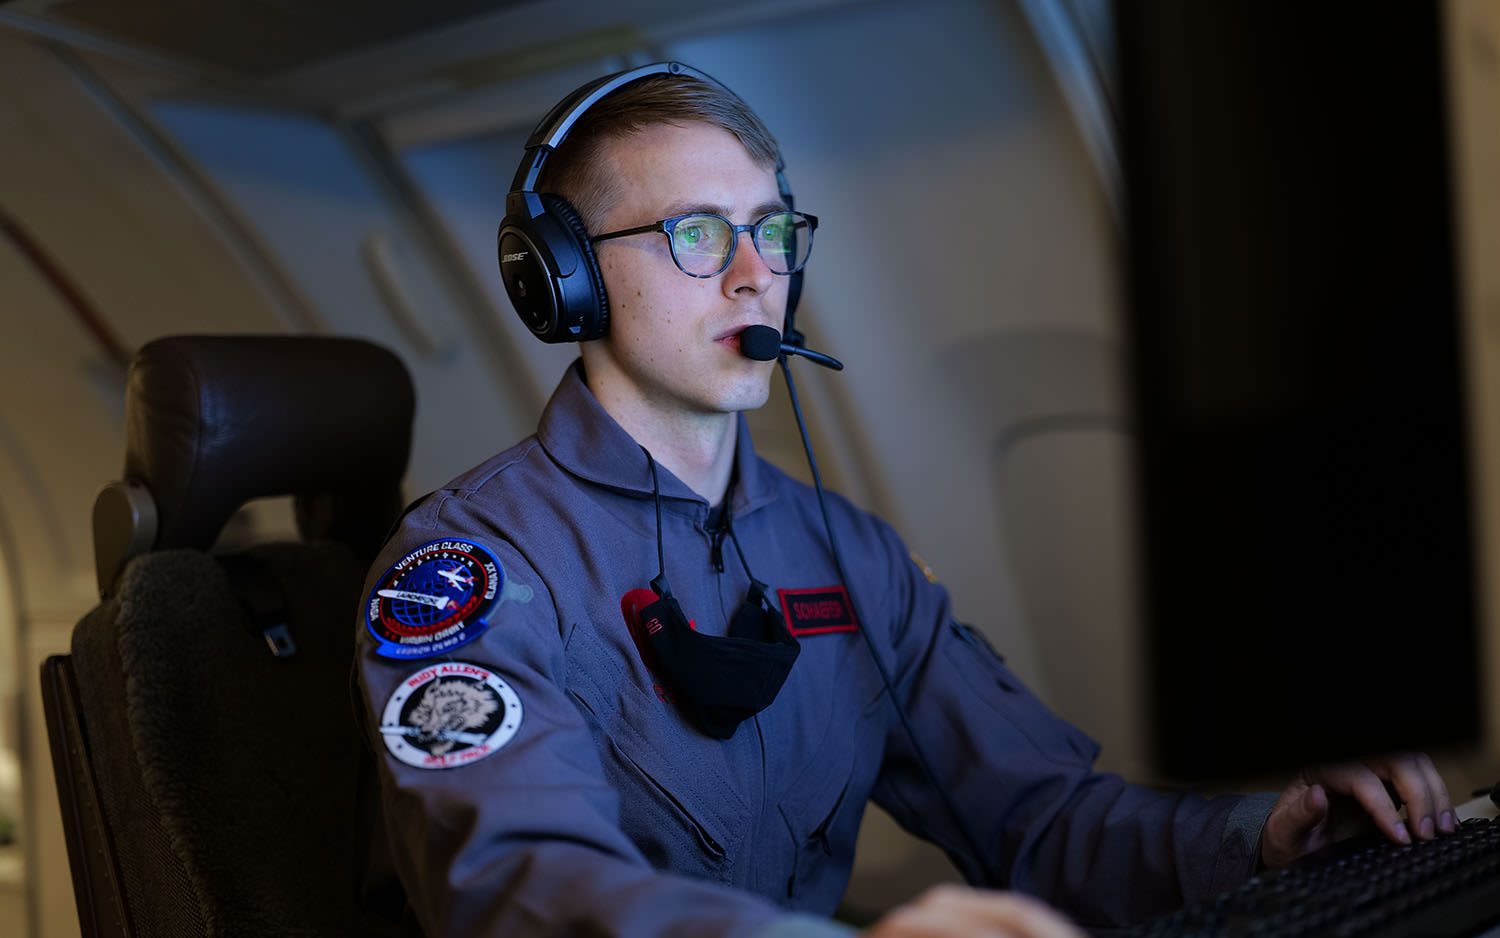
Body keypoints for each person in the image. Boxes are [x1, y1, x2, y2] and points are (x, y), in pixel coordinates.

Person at [353, 64, 1454, 938]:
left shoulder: (849, 554)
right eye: (696, 233)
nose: (755, 274)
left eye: (773, 229)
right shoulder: (467, 567)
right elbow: (512, 881)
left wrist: (1266, 836)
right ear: (566, 278)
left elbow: (1041, 817)